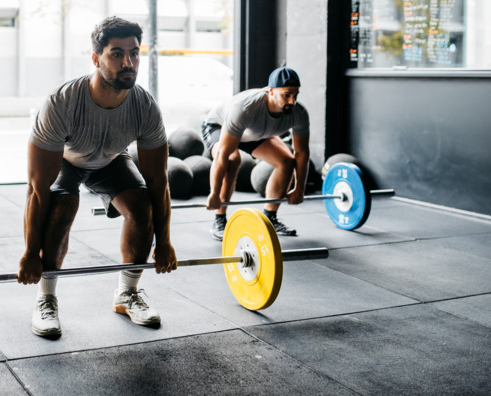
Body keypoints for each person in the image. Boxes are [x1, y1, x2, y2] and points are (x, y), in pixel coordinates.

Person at [17, 16, 177, 338]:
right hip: (68, 158)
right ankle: (46, 297)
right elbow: (37, 189)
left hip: (110, 159)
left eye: (134, 53)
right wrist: (31, 253)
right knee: (62, 205)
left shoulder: (144, 107)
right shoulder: (62, 102)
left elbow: (159, 182)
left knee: (142, 204)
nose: (128, 62)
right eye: (116, 53)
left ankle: (127, 293)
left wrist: (165, 241)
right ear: (96, 58)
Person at [202, 67, 310, 240]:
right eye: (287, 95)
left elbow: (302, 153)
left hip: (255, 132)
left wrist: (299, 189)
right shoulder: (245, 108)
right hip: (219, 125)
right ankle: (219, 219)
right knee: (232, 160)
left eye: (295, 95)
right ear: (271, 91)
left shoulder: (299, 114)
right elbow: (222, 155)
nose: (292, 101)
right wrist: (214, 194)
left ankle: (270, 217)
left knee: (287, 162)